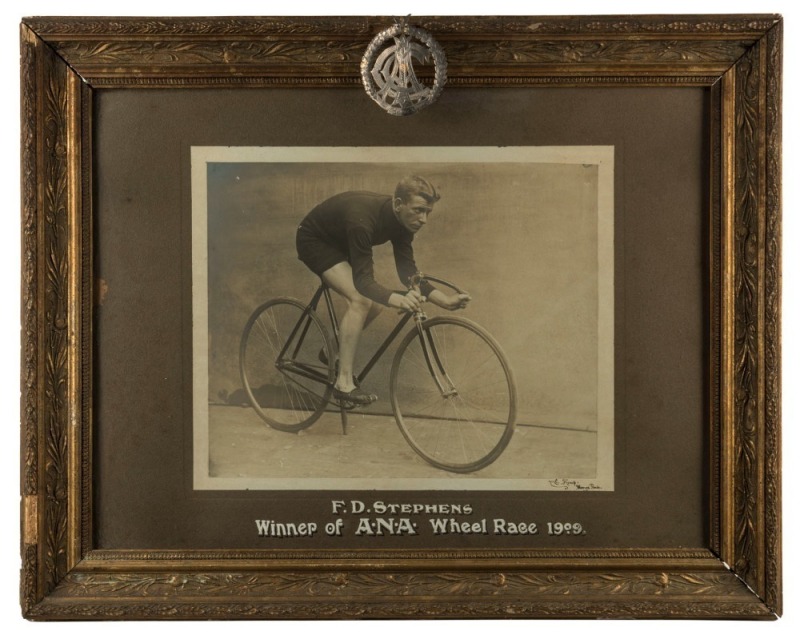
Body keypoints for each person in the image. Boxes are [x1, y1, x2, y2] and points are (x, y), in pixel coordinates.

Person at [295, 175, 471, 405]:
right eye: (418, 210)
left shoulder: (404, 223)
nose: (424, 219)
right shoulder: (362, 219)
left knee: (376, 302)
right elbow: (363, 283)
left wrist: (444, 301)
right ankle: (343, 383)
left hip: (342, 241)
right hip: (314, 240)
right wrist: (396, 299)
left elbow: (408, 272)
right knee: (361, 300)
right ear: (398, 204)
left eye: (428, 212)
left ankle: (331, 350)